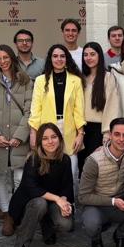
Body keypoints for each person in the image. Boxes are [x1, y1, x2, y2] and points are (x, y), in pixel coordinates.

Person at [0, 45, 33, 236]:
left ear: (12, 58)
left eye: (5, 57)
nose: (2, 61)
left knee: (20, 178)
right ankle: (7, 215)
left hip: (20, 139)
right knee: (1, 177)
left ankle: (18, 212)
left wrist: (20, 136)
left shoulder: (26, 81)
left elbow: (30, 111)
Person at [78, 118, 124, 247]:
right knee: (91, 224)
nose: (121, 139)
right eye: (117, 134)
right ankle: (96, 239)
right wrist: (114, 201)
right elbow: (83, 197)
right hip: (96, 204)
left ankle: (119, 236)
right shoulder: (94, 160)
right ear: (110, 135)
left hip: (120, 204)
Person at [9, 123, 74, 247]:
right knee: (40, 203)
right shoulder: (33, 159)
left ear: (60, 139)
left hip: (51, 203)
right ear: (39, 142)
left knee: (66, 224)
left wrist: (64, 201)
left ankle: (47, 224)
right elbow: (31, 189)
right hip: (28, 203)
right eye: (45, 138)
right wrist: (57, 199)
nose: (50, 141)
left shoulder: (65, 160)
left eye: (53, 137)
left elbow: (67, 186)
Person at [29, 44, 85, 184]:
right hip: (47, 130)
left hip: (69, 130)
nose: (59, 59)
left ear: (67, 59)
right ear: (50, 59)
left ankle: (69, 204)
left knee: (71, 171)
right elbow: (36, 109)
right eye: (55, 56)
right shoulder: (41, 80)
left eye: (62, 56)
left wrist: (80, 133)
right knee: (48, 171)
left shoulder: (76, 80)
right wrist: (33, 133)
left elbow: (79, 110)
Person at [79, 42, 120, 174]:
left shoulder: (108, 77)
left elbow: (112, 106)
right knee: (82, 168)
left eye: (92, 54)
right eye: (85, 55)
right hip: (81, 129)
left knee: (98, 168)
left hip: (99, 130)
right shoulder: (81, 78)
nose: (89, 58)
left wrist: (107, 132)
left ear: (99, 56)